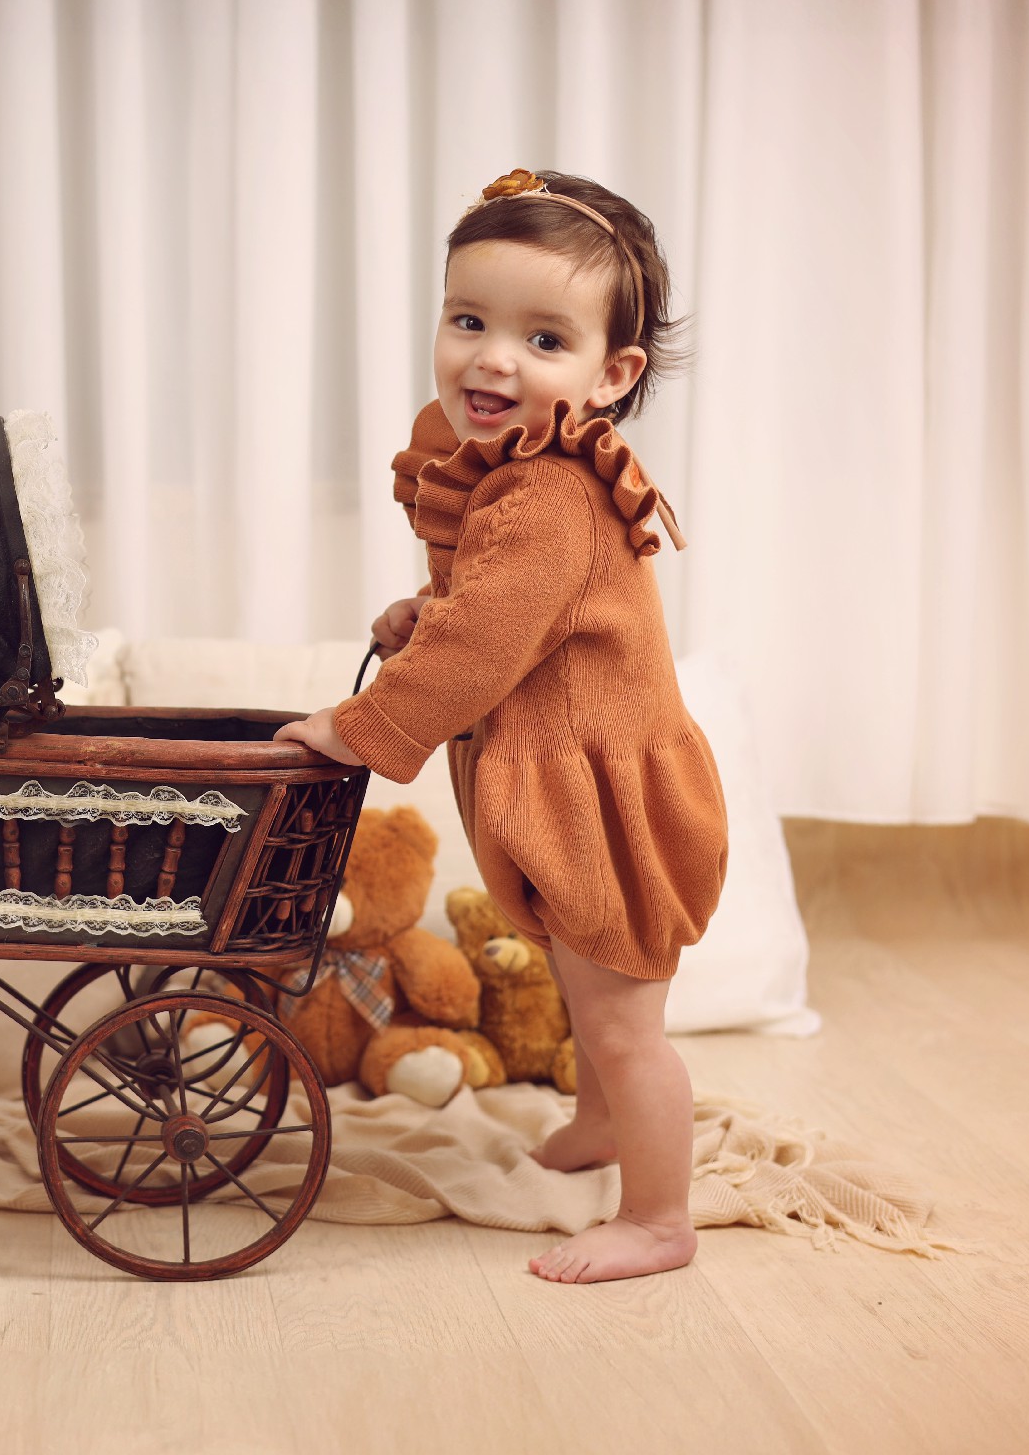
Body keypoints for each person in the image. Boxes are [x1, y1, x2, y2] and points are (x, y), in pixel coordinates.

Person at [275, 168, 730, 1284]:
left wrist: (362, 725)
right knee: (586, 993)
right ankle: (601, 1123)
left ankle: (660, 1219)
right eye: (469, 321)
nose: (492, 359)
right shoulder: (514, 480)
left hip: (607, 804)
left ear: (611, 375)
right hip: (565, 780)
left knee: (622, 1023)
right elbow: (498, 612)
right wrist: (423, 611)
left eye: (544, 339)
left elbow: (483, 649)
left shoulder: (551, 496)